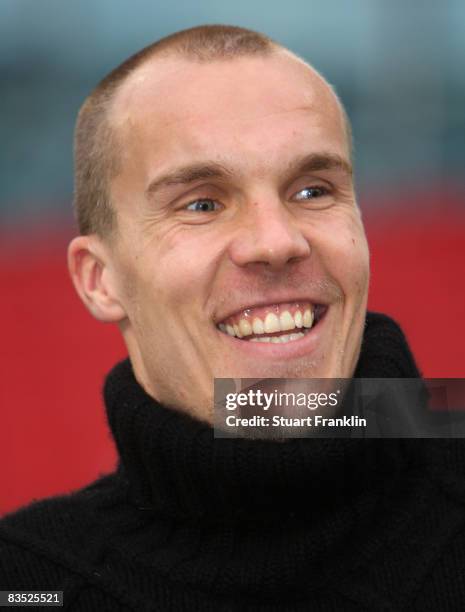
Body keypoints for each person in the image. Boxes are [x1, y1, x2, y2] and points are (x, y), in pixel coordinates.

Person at [1, 24, 464, 611]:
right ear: (99, 279)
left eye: (312, 190)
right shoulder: (22, 580)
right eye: (202, 204)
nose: (275, 241)